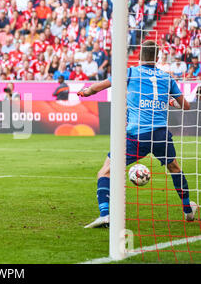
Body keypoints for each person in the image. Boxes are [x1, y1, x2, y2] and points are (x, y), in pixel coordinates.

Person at [78, 40, 198, 228]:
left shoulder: (130, 72)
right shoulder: (167, 77)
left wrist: (85, 92)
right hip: (160, 135)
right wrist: (169, 102)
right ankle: (188, 210)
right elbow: (186, 106)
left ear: (140, 56)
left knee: (106, 170)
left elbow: (97, 87)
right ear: (157, 57)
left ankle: (105, 214)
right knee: (174, 167)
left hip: (135, 136)